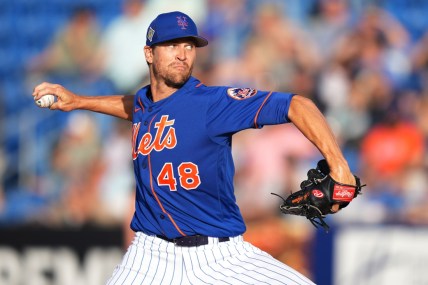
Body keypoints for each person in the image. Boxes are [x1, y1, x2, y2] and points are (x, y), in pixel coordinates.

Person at [33, 11, 356, 285]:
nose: (182, 53)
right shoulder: (146, 102)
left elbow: (298, 105)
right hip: (149, 255)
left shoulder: (212, 103)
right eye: (172, 45)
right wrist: (79, 101)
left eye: (189, 45)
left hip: (220, 254)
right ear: (149, 53)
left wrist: (338, 164)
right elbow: (133, 106)